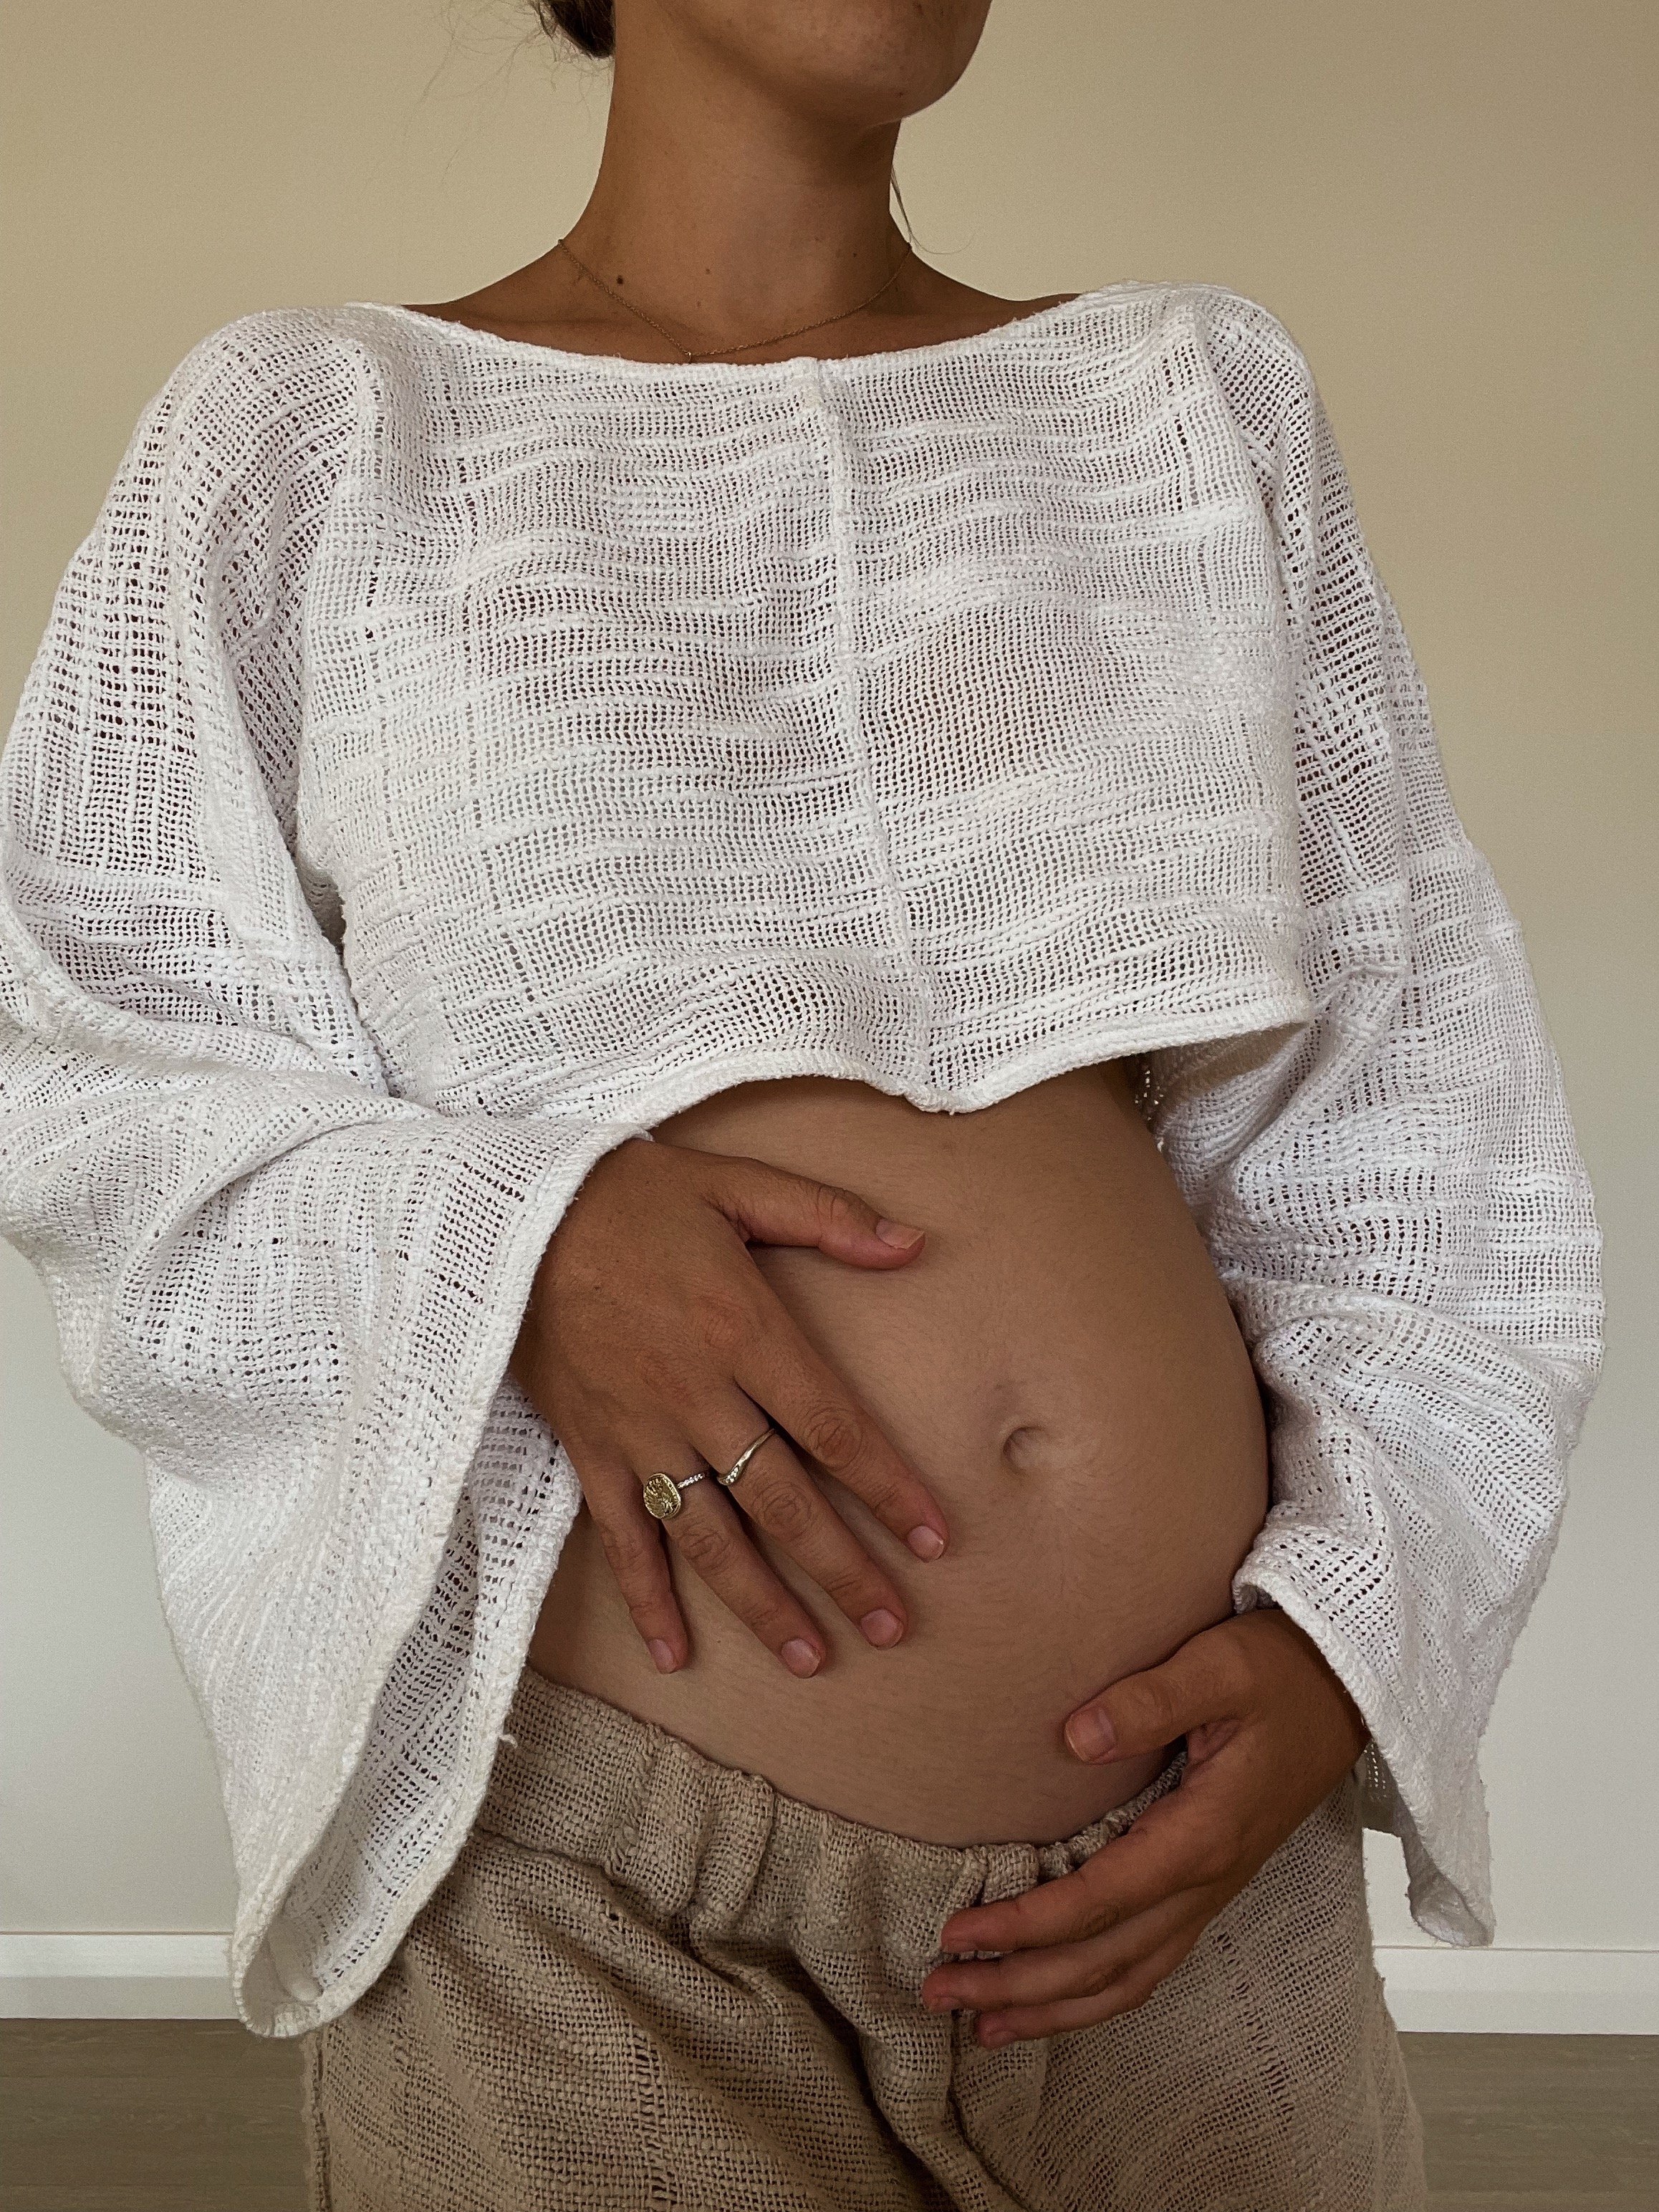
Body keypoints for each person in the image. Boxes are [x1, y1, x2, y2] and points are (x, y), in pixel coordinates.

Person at [0, 1, 1602, 2206]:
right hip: (586, 1879)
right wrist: (516, 1235)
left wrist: (1355, 1635)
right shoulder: (311, 431)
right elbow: (81, 1059)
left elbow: (1409, 1096)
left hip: (1182, 1870)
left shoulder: (1179, 400)